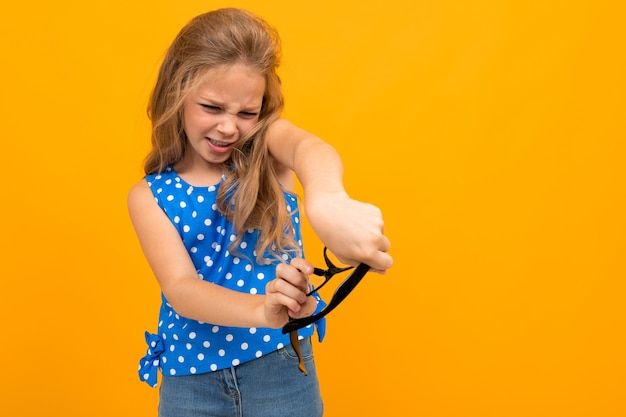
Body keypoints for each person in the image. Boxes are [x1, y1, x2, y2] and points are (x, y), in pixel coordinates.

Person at [127, 7, 392, 417]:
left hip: (279, 368)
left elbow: (311, 150)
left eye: (247, 112)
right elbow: (181, 289)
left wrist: (326, 200)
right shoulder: (149, 196)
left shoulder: (268, 149)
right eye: (212, 107)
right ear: (176, 95)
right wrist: (259, 311)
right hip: (189, 382)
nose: (230, 127)